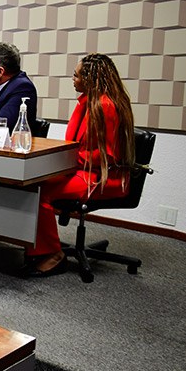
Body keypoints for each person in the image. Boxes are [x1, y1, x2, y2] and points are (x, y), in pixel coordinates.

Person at [25, 53, 135, 277]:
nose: (73, 79)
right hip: (82, 169)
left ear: (90, 78)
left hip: (102, 177)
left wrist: (63, 160)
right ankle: (37, 245)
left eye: (76, 76)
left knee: (40, 192)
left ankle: (54, 255)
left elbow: (106, 157)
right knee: (32, 184)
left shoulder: (105, 107)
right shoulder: (88, 102)